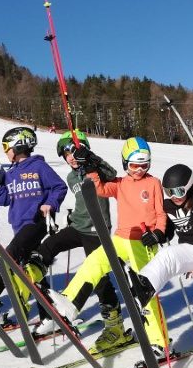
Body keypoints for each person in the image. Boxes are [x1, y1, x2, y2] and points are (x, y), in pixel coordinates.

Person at [44, 137, 170, 354]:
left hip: (143, 242)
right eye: (134, 165)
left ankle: (159, 342)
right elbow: (99, 189)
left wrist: (158, 232)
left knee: (144, 291)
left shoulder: (153, 183)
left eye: (144, 165)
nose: (139, 170)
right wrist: (91, 168)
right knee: (95, 260)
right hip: (121, 238)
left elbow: (161, 213)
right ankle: (71, 301)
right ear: (125, 164)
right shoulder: (121, 184)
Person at [114, 164, 193, 360]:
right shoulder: (169, 206)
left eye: (179, 191)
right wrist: (156, 236)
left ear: (189, 186)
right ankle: (144, 287)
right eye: (169, 192)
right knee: (168, 255)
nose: (175, 196)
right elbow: (166, 232)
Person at [27, 130, 122, 339]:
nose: (70, 156)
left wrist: (91, 159)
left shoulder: (95, 169)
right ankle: (33, 277)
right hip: (78, 226)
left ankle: (113, 317)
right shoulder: (71, 177)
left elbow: (112, 174)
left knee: (98, 278)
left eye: (73, 150)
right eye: (66, 153)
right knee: (47, 246)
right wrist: (71, 216)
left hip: (96, 231)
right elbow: (83, 201)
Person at [0, 126, 68, 314]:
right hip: (19, 226)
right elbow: (4, 199)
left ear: (18, 146)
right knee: (29, 269)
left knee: (9, 254)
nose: (5, 151)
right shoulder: (11, 173)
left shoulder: (39, 166)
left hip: (37, 222)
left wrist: (50, 204)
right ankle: (49, 313)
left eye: (6, 146)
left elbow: (59, 187)